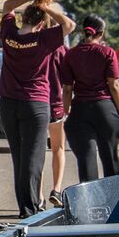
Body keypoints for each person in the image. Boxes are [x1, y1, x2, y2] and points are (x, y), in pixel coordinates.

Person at [0, 0, 75, 218]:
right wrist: (45, 6)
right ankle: (30, 210)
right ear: (42, 24)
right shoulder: (43, 38)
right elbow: (69, 25)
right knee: (34, 157)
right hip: (35, 103)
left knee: (19, 157)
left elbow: (6, 6)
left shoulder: (9, 33)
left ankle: (25, 207)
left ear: (22, 18)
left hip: (9, 102)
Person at [61, 14, 119, 183]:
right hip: (105, 109)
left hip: (80, 110)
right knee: (110, 157)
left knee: (86, 160)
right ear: (101, 33)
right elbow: (113, 85)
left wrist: (65, 112)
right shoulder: (107, 52)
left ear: (83, 31)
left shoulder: (71, 54)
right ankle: (118, 201)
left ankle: (90, 205)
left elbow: (67, 89)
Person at [44, 30, 67, 207]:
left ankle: (37, 195)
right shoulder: (61, 50)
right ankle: (56, 189)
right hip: (55, 102)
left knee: (35, 152)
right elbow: (67, 80)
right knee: (58, 147)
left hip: (34, 101)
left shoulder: (31, 45)